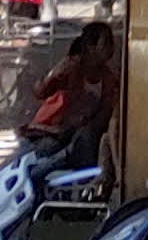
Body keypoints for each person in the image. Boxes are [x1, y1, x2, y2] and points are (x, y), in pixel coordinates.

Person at [26, 20, 121, 165]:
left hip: (77, 136)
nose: (111, 48)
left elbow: (104, 113)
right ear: (91, 47)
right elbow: (40, 92)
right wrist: (53, 76)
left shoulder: (108, 77)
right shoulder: (70, 68)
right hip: (51, 133)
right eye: (106, 43)